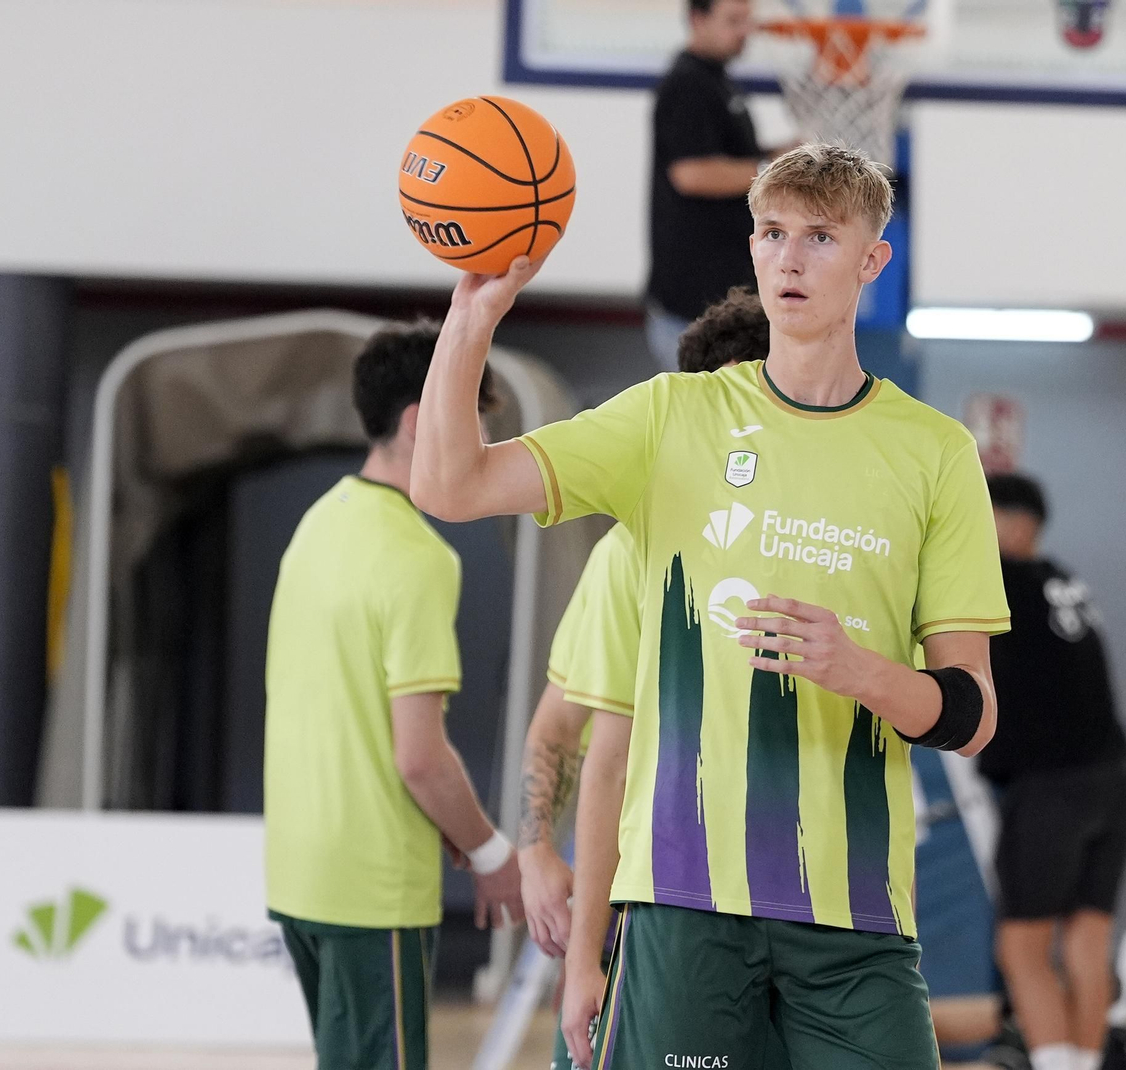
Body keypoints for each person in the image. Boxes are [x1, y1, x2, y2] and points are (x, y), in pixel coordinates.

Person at [414, 143, 1009, 1070]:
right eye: (772, 233)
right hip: (685, 907)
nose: (790, 258)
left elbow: (973, 715)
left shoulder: (935, 453)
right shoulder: (669, 419)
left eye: (820, 236)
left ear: (872, 260)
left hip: (854, 914)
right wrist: (471, 320)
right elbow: (450, 484)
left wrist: (859, 670)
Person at [514, 289, 775, 1070]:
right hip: (655, 909)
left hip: (784, 912)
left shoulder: (826, 548)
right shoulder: (633, 551)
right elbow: (571, 735)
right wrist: (536, 855)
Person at [263, 321, 523, 1070]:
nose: (477, 445)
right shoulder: (418, 557)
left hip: (301, 873)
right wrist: (491, 851)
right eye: (472, 421)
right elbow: (419, 757)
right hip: (373, 889)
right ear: (420, 421)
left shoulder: (319, 524)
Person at [979, 473, 1126, 1070]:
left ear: (1015, 522)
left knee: (1021, 946)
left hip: (1051, 787)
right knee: (1086, 940)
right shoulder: (1063, 579)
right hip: (1115, 782)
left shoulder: (1002, 581)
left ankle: (1051, 1062)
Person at [645, 0, 784, 369]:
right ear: (697, 19)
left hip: (723, 295)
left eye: (748, 21)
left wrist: (781, 152)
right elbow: (692, 173)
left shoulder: (718, 80)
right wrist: (777, 170)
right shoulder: (687, 84)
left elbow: (729, 156)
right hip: (693, 305)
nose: (744, 31)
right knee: (699, 418)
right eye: (732, 21)